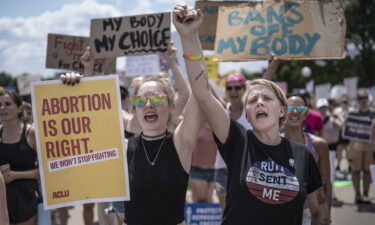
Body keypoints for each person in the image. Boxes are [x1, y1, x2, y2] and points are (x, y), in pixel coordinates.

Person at [173, 4, 329, 225]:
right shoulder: (238, 141)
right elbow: (203, 95)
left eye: (267, 98)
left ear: (282, 110)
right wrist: (188, 37)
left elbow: (319, 210)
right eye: (253, 100)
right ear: (247, 114)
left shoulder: (303, 156)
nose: (259, 102)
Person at [60, 68, 202, 224]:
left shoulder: (181, 143)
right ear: (135, 109)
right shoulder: (123, 149)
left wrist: (178, 56)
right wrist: (74, 87)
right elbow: (84, 126)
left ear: (172, 106)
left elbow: (199, 89)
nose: (148, 104)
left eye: (157, 98)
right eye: (140, 100)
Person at [284, 95, 332, 224]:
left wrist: (326, 216)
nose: (295, 111)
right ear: (282, 112)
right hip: (281, 212)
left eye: (300, 108)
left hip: (310, 212)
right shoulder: (273, 143)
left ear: (306, 114)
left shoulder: (318, 144)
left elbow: (326, 183)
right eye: (290, 107)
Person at [0, 90, 39, 225]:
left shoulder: (32, 134)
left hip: (25, 199)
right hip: (2, 200)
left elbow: (46, 172)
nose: (2, 108)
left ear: (19, 108)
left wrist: (16, 175)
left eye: (7, 104)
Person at [346, 90, 375, 204]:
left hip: (370, 145)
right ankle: (357, 194)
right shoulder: (352, 113)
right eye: (360, 98)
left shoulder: (373, 113)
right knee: (355, 170)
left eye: (365, 98)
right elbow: (345, 127)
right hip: (355, 145)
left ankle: (366, 194)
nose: (363, 100)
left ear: (368, 99)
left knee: (367, 171)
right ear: (357, 100)